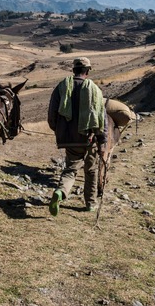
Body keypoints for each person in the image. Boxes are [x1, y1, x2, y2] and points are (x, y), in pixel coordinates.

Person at [47, 57, 107, 215]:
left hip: (69, 139)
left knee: (70, 170)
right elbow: (102, 118)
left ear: (73, 70)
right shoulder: (94, 89)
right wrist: (102, 142)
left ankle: (61, 192)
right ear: (87, 71)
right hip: (89, 139)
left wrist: (59, 130)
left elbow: (52, 115)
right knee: (91, 171)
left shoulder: (61, 87)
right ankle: (90, 203)